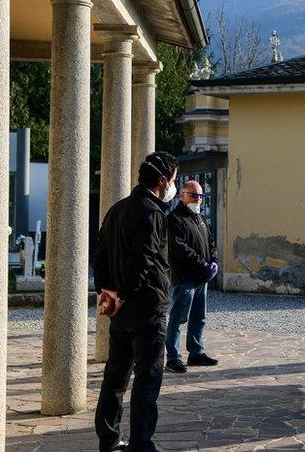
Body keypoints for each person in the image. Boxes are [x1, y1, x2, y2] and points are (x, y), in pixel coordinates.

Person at [93, 152, 179, 452]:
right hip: (147, 307)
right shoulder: (153, 214)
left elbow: (100, 256)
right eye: (172, 180)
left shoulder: (116, 210)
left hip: (119, 309)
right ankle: (142, 444)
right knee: (147, 379)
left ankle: (109, 438)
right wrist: (124, 293)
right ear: (160, 180)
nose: (173, 187)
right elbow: (142, 262)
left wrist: (108, 292)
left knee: (115, 376)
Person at [165, 180, 219, 374]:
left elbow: (210, 243)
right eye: (194, 195)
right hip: (185, 277)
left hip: (201, 278)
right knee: (178, 318)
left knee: (199, 317)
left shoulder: (200, 219)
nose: (198, 199)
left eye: (201, 196)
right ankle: (173, 358)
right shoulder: (174, 219)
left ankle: (196, 353)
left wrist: (214, 261)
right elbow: (180, 248)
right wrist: (203, 264)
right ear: (182, 195)